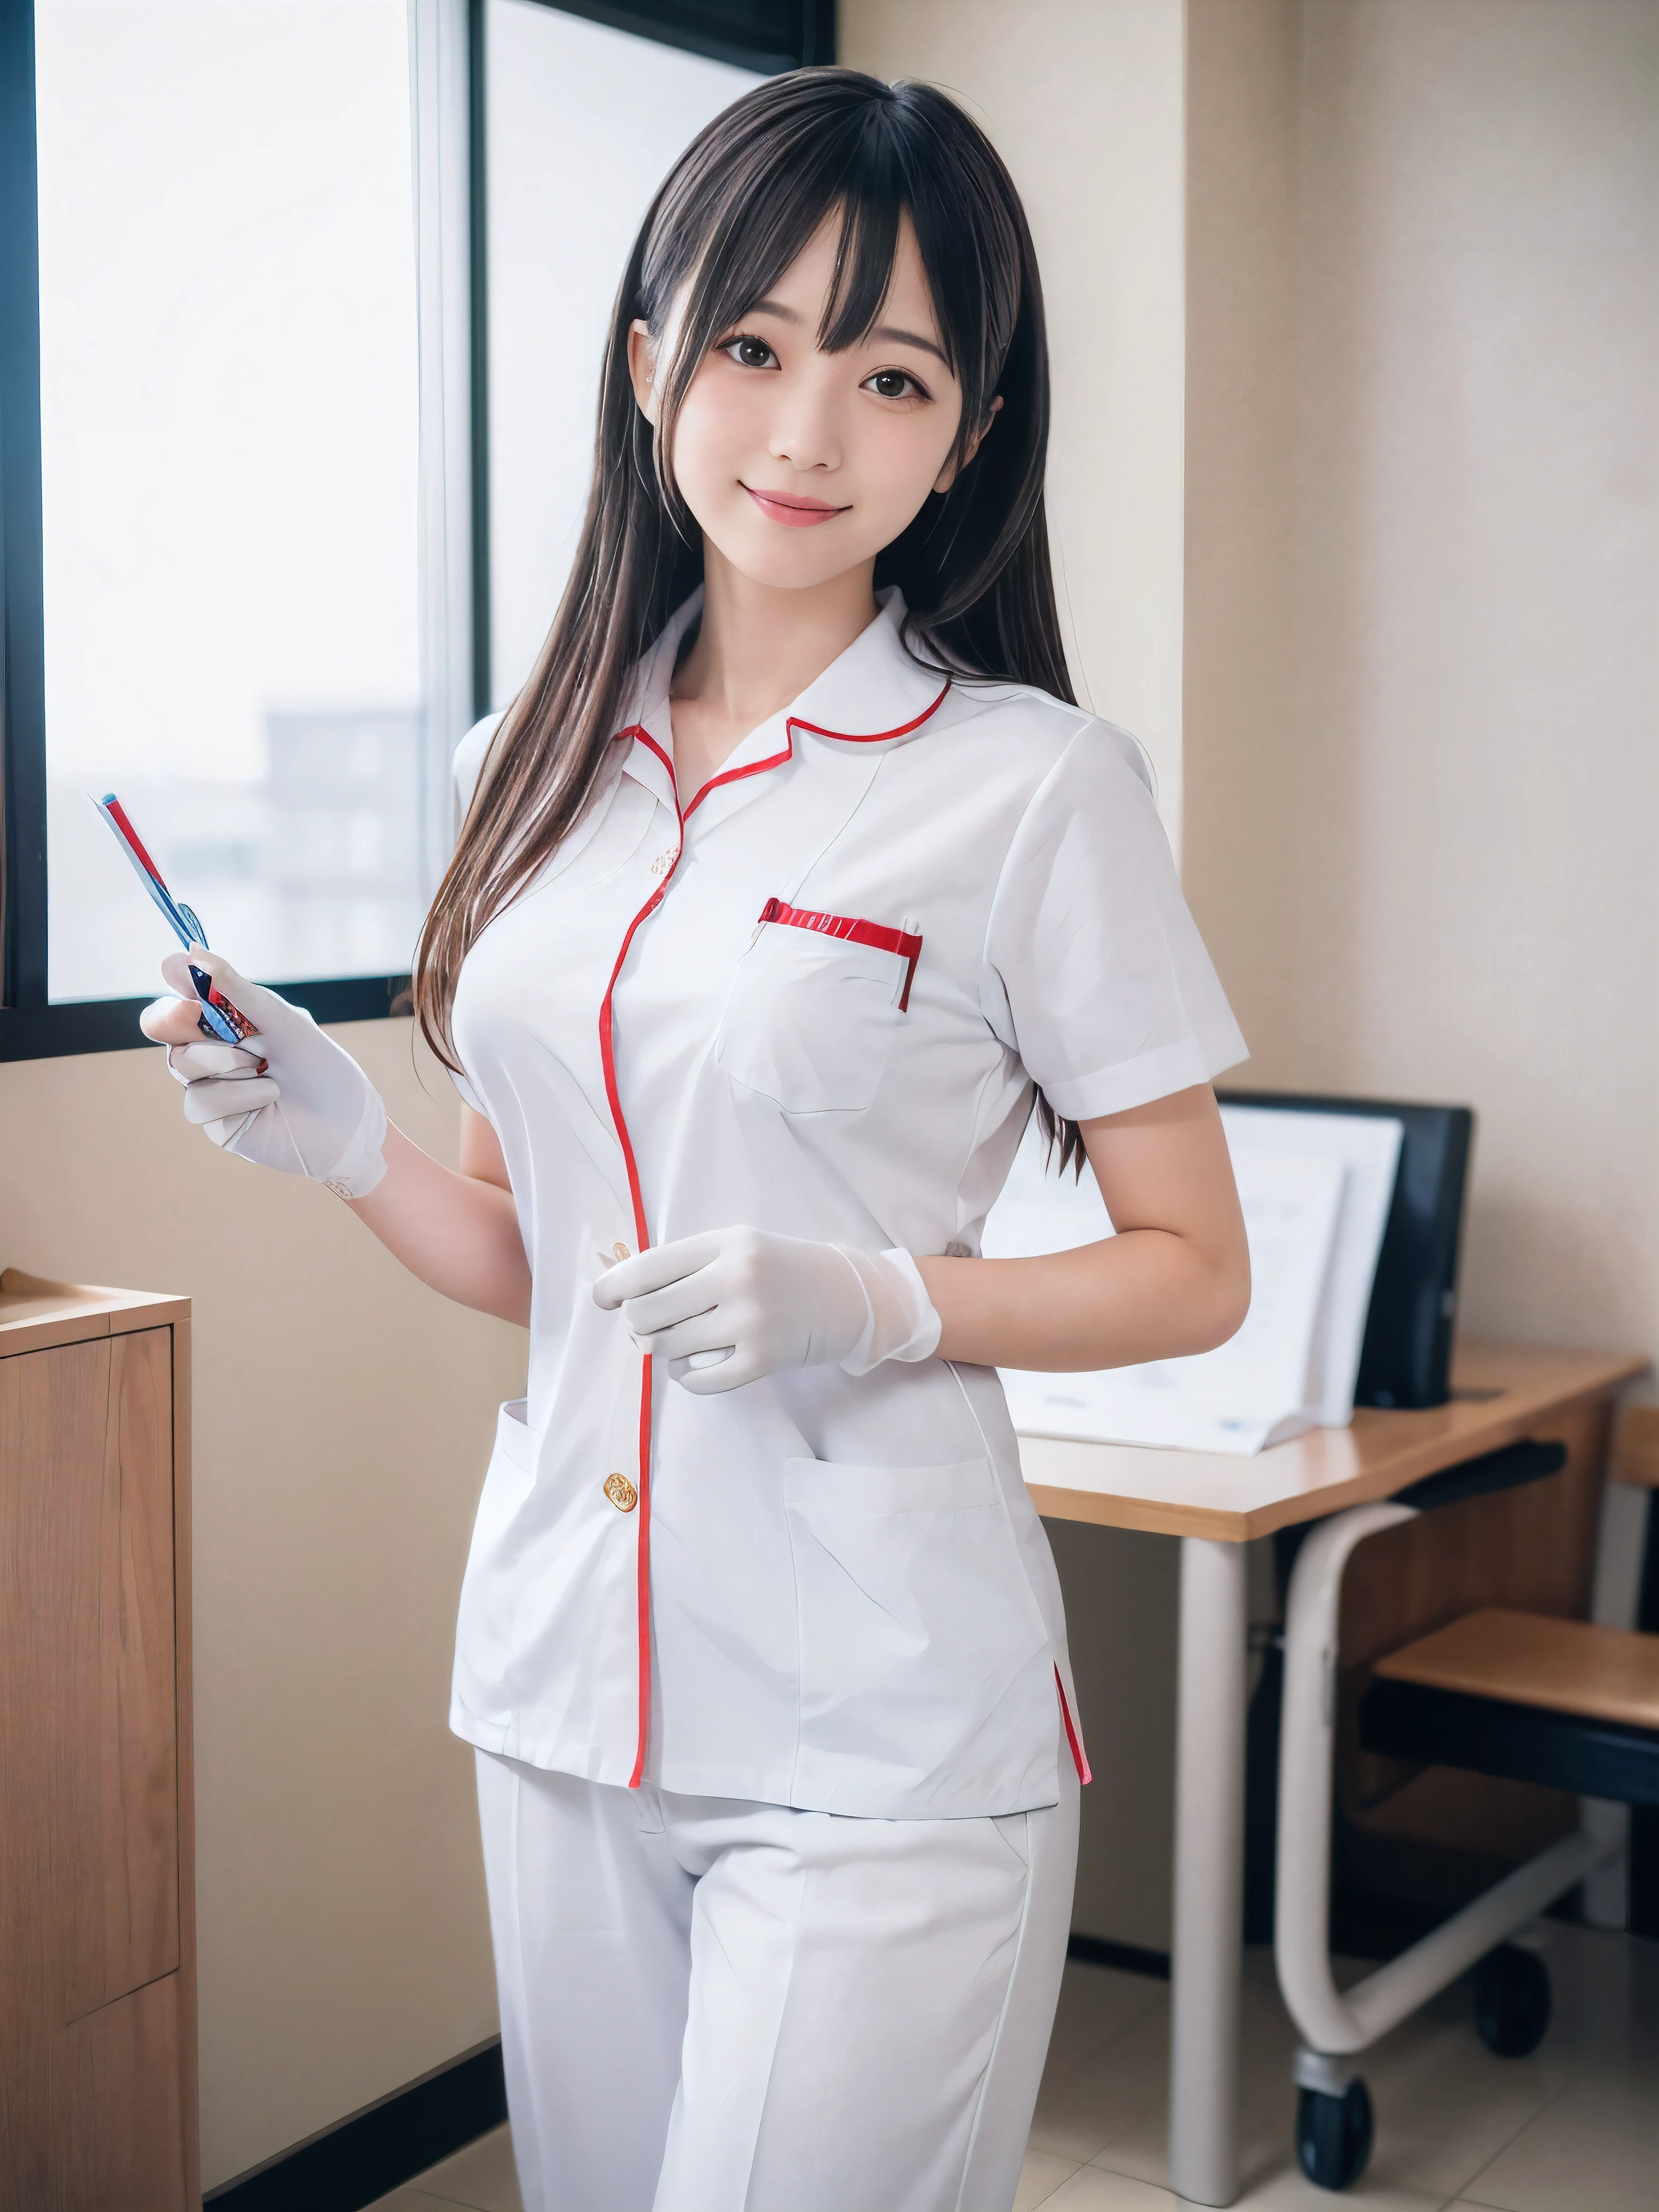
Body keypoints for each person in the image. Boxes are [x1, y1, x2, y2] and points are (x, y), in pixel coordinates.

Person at [143, 67, 1250, 2212]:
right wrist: (354, 1143)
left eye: (890, 371)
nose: (806, 431)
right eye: (750, 346)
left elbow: (1194, 1260)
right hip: (564, 1688)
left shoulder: (1034, 787)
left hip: (883, 1726)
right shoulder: (522, 758)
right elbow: (527, 1244)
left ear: (971, 427)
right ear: (651, 361)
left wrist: (879, 1297)